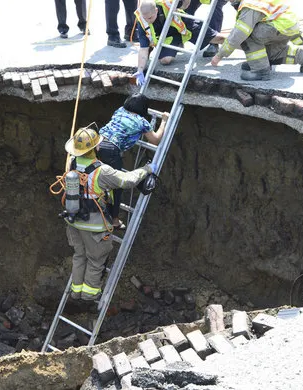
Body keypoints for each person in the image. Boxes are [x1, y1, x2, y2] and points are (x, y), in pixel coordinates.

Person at [63, 127, 156, 302]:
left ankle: (76, 291)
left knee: (79, 255)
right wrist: (147, 169)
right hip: (94, 225)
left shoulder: (72, 163)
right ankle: (90, 294)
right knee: (96, 259)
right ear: (96, 148)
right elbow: (127, 181)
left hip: (73, 221)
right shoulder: (102, 171)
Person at [97, 94, 168, 229]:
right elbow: (155, 140)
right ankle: (115, 221)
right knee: (116, 186)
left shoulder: (120, 111)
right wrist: (164, 121)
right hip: (111, 150)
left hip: (97, 144)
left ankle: (100, 212)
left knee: (98, 179)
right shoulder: (141, 122)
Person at [210, 0, 303, 81]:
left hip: (276, 27)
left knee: (247, 36)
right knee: (271, 53)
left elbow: (240, 32)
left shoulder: (249, 5)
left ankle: (260, 70)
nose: (231, 3)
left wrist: (219, 55)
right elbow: (292, 28)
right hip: (286, 26)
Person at [133, 0, 222, 85]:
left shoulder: (167, 3)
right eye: (145, 18)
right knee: (165, 60)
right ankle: (178, 44)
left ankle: (233, 42)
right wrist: (140, 71)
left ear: (156, 10)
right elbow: (143, 48)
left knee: (219, 39)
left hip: (184, 25)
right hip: (170, 36)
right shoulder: (141, 20)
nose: (147, 21)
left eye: (150, 18)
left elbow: (185, 5)